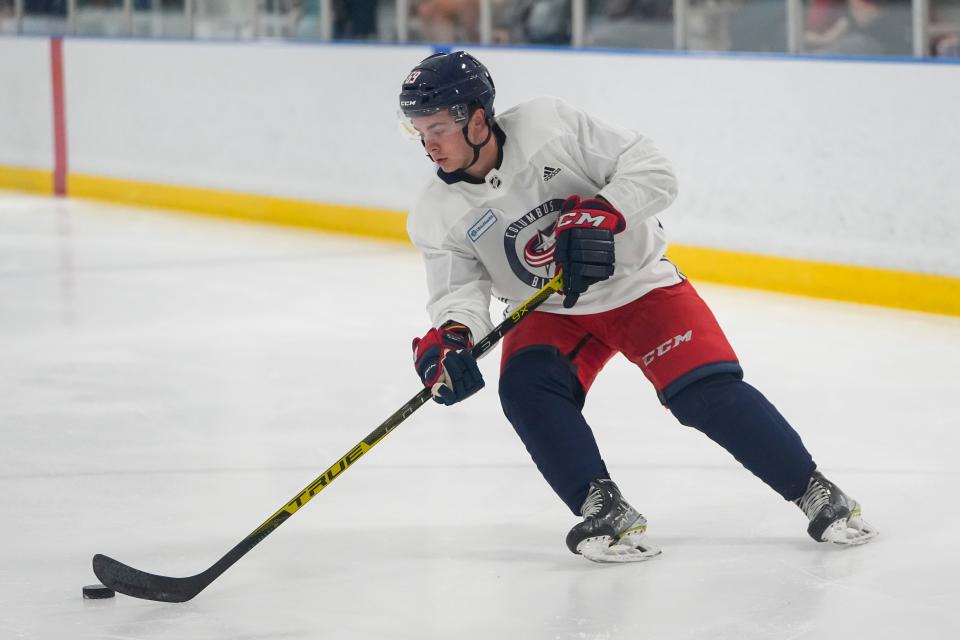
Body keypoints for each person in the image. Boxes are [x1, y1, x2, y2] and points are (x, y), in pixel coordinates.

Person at [398, 51, 877, 563]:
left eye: (439, 128)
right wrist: (453, 337)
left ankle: (817, 492)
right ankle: (603, 508)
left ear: (476, 120)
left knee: (704, 394)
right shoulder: (436, 213)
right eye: (417, 132)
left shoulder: (547, 126)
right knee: (525, 390)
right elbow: (460, 294)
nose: (429, 145)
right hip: (551, 313)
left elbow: (653, 170)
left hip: (638, 286)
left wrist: (605, 213)